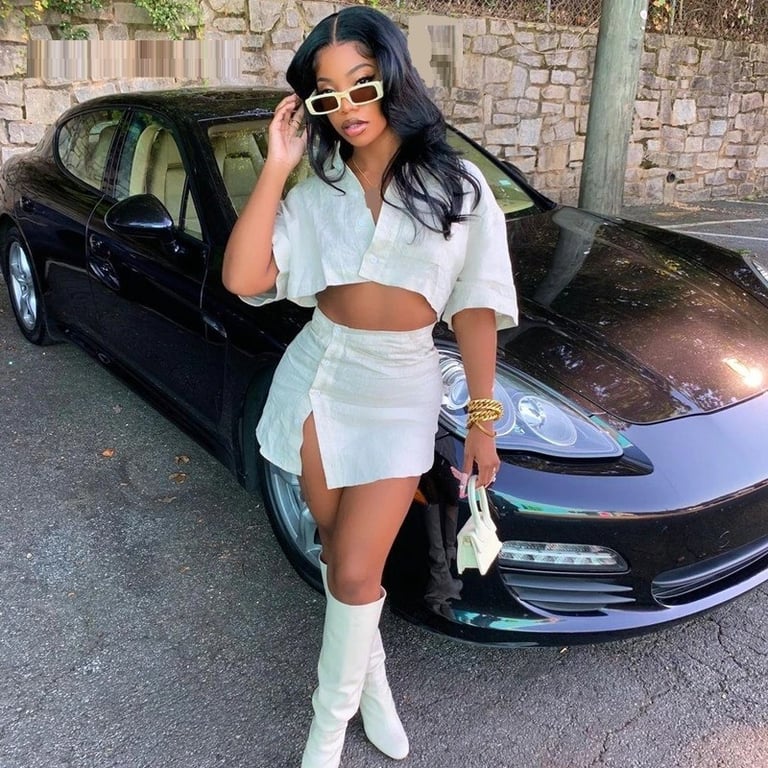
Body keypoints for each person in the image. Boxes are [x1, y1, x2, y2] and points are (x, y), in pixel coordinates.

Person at [222, 6, 518, 766]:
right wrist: (278, 165)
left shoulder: (457, 186)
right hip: (320, 373)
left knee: (356, 570)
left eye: (361, 84)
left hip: (399, 386)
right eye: (327, 94)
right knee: (337, 555)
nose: (347, 107)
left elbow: (476, 309)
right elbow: (244, 277)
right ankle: (374, 685)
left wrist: (482, 420)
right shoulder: (316, 186)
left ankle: (327, 725)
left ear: (393, 75)